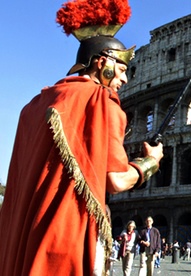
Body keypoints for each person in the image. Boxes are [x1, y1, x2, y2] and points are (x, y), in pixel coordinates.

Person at [0, 1, 164, 275]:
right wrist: (150, 161)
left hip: (23, 239)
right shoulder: (101, 101)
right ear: (104, 63)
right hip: (68, 236)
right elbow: (116, 180)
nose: (124, 81)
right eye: (123, 71)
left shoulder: (33, 106)